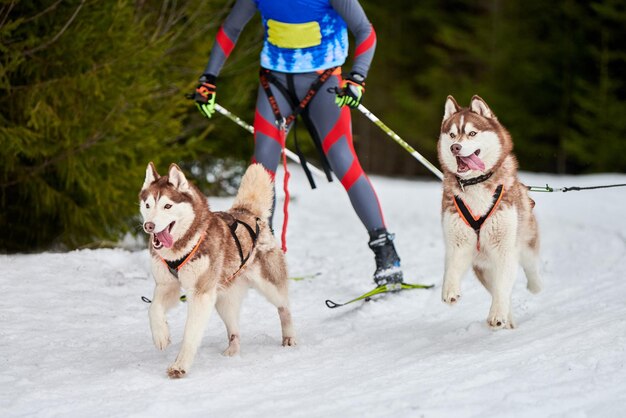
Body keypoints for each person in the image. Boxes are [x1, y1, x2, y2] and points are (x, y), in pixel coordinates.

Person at [193, 0, 403, 286]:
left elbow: (365, 30)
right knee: (261, 169)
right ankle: (259, 255)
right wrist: (209, 78)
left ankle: (385, 252)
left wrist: (357, 78)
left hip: (325, 80)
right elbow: (231, 27)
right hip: (274, 82)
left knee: (343, 161)